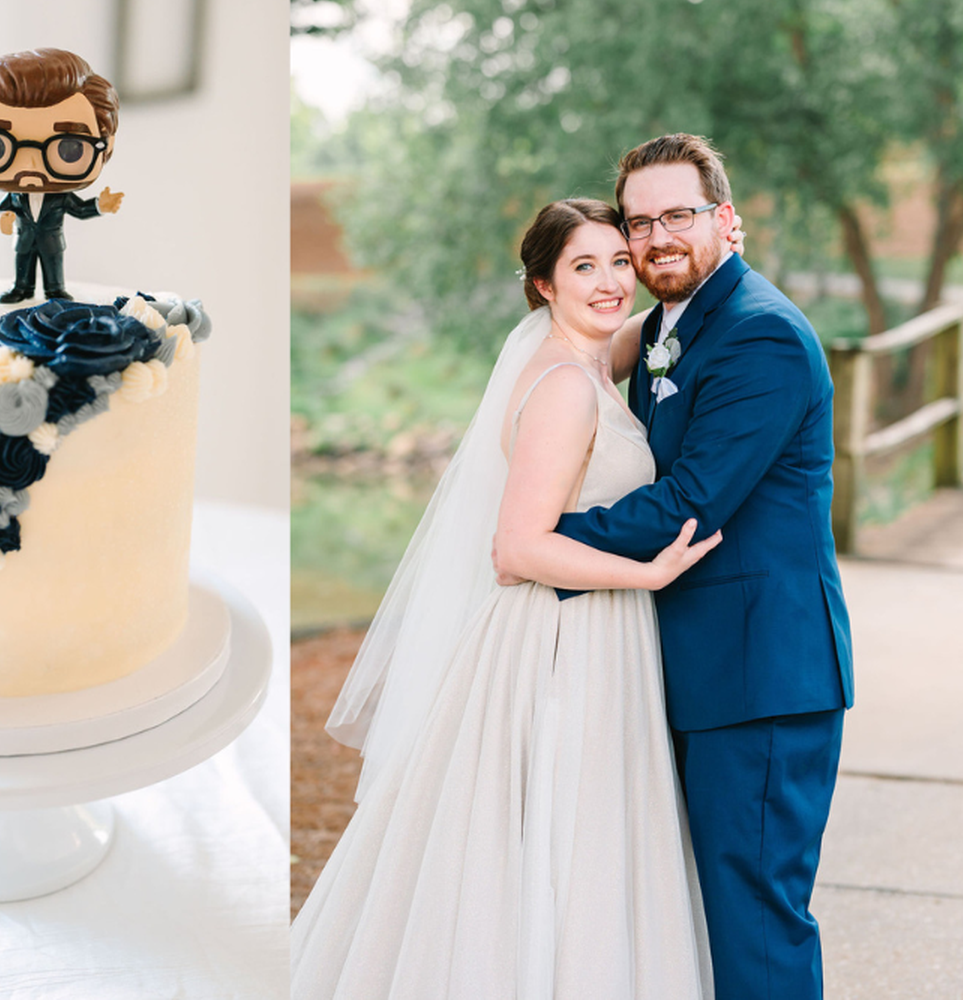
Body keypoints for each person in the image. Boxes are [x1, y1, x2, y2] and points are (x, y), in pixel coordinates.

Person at [290, 198, 723, 997]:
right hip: (562, 640)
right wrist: (650, 574)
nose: (608, 283)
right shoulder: (563, 386)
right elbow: (518, 547)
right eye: (582, 268)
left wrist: (705, 262)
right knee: (557, 838)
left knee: (563, 840)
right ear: (542, 286)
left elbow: (655, 325)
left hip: (591, 631)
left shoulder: (591, 360)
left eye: (617, 262)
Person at [544, 134, 854, 1000]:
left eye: (677, 214)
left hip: (761, 679)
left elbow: (688, 500)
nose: (656, 238)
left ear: (724, 217)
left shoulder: (762, 336)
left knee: (753, 921)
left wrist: (547, 543)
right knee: (694, 915)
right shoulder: (669, 327)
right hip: (693, 667)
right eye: (639, 223)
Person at [0, 48, 124, 304]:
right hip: (22, 240)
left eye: (69, 148)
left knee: (52, 265)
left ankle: (55, 290)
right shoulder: (15, 196)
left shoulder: (61, 197)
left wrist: (101, 205)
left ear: (106, 145)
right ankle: (21, 288)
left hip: (52, 242)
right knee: (23, 264)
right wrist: (2, 218)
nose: (30, 164)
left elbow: (79, 209)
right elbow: (2, 210)